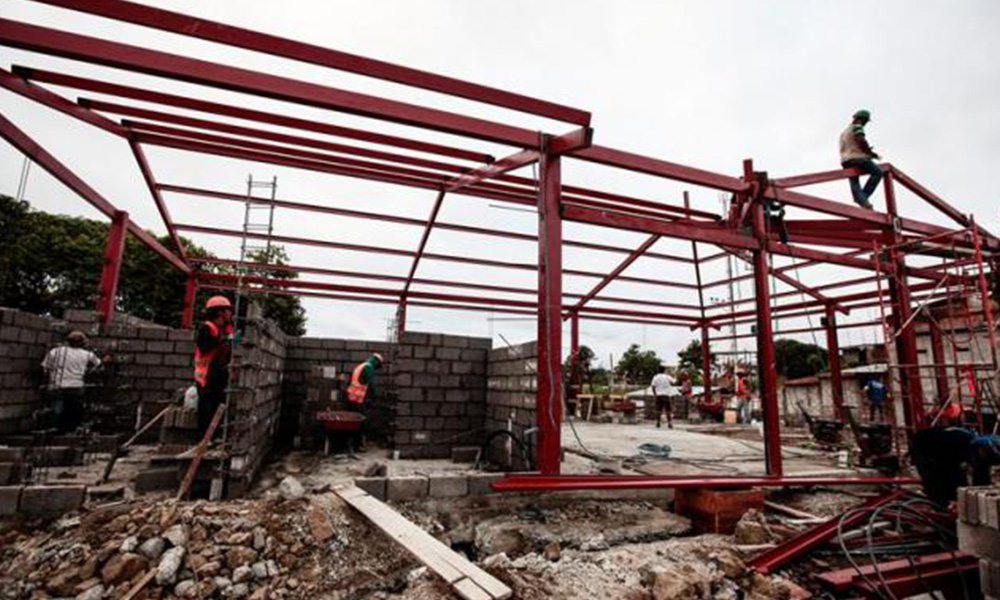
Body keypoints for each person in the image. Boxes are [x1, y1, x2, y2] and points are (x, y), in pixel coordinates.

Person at [911, 426, 1000, 507]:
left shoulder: (982, 453)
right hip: (923, 448)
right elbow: (948, 470)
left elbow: (982, 479)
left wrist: (982, 496)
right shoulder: (957, 441)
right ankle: (939, 509)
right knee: (938, 483)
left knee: (960, 484)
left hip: (945, 451)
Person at [41, 330, 105, 432]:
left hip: (57, 385)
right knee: (74, 411)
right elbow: (99, 365)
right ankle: (70, 432)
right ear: (82, 342)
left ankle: (53, 430)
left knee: (56, 410)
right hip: (76, 386)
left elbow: (45, 368)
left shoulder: (56, 351)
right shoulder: (87, 354)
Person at [193, 295, 235, 436]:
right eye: (228, 310)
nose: (231, 313)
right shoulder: (207, 328)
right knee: (207, 409)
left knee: (218, 406)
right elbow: (205, 346)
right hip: (207, 374)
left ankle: (214, 437)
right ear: (220, 312)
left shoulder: (224, 329)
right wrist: (223, 341)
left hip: (219, 373)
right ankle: (204, 440)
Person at [839, 109, 882, 209]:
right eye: (865, 121)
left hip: (845, 160)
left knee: (855, 182)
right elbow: (861, 140)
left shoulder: (844, 132)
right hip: (857, 158)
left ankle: (861, 200)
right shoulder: (858, 126)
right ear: (862, 119)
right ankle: (863, 198)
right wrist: (870, 153)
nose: (865, 123)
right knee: (877, 173)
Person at [346, 353, 383, 450]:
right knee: (360, 423)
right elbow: (370, 384)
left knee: (354, 423)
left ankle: (353, 445)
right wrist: (374, 397)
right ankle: (357, 445)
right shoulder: (369, 367)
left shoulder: (361, 365)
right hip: (358, 399)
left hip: (352, 397)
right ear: (376, 362)